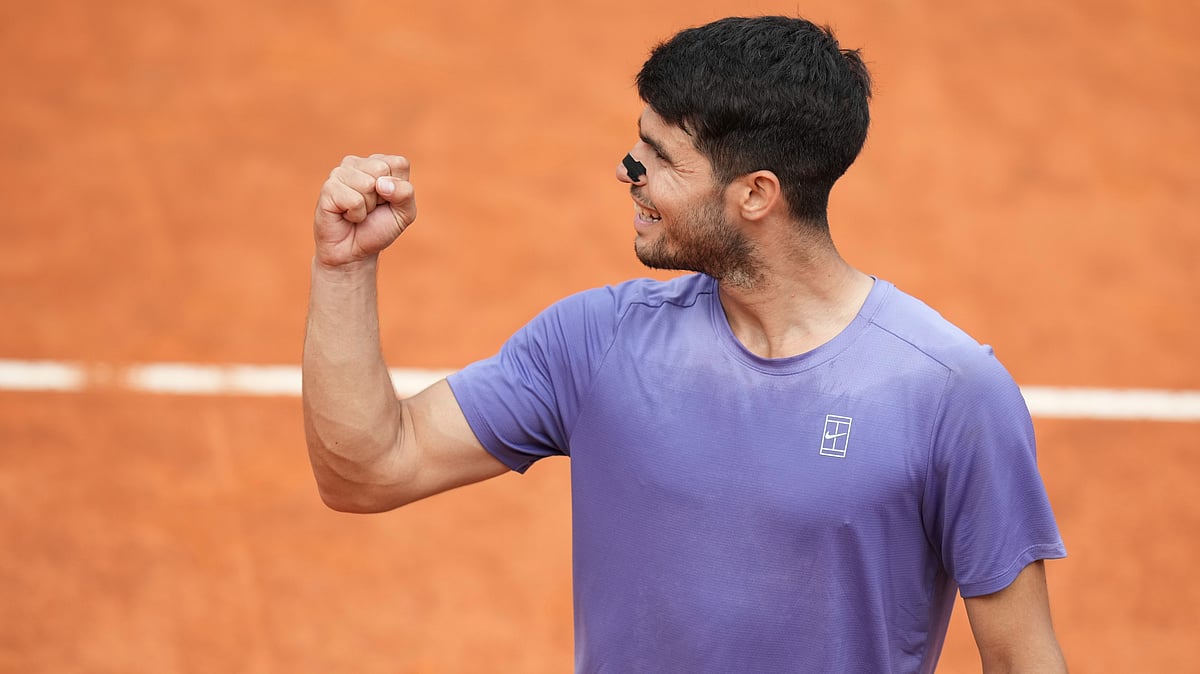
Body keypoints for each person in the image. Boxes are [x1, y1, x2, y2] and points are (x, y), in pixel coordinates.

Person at [302, 15, 1068, 673]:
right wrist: (343, 267)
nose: (627, 171)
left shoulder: (948, 393)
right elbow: (368, 471)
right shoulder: (596, 342)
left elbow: (1020, 659)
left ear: (756, 194)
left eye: (660, 158)